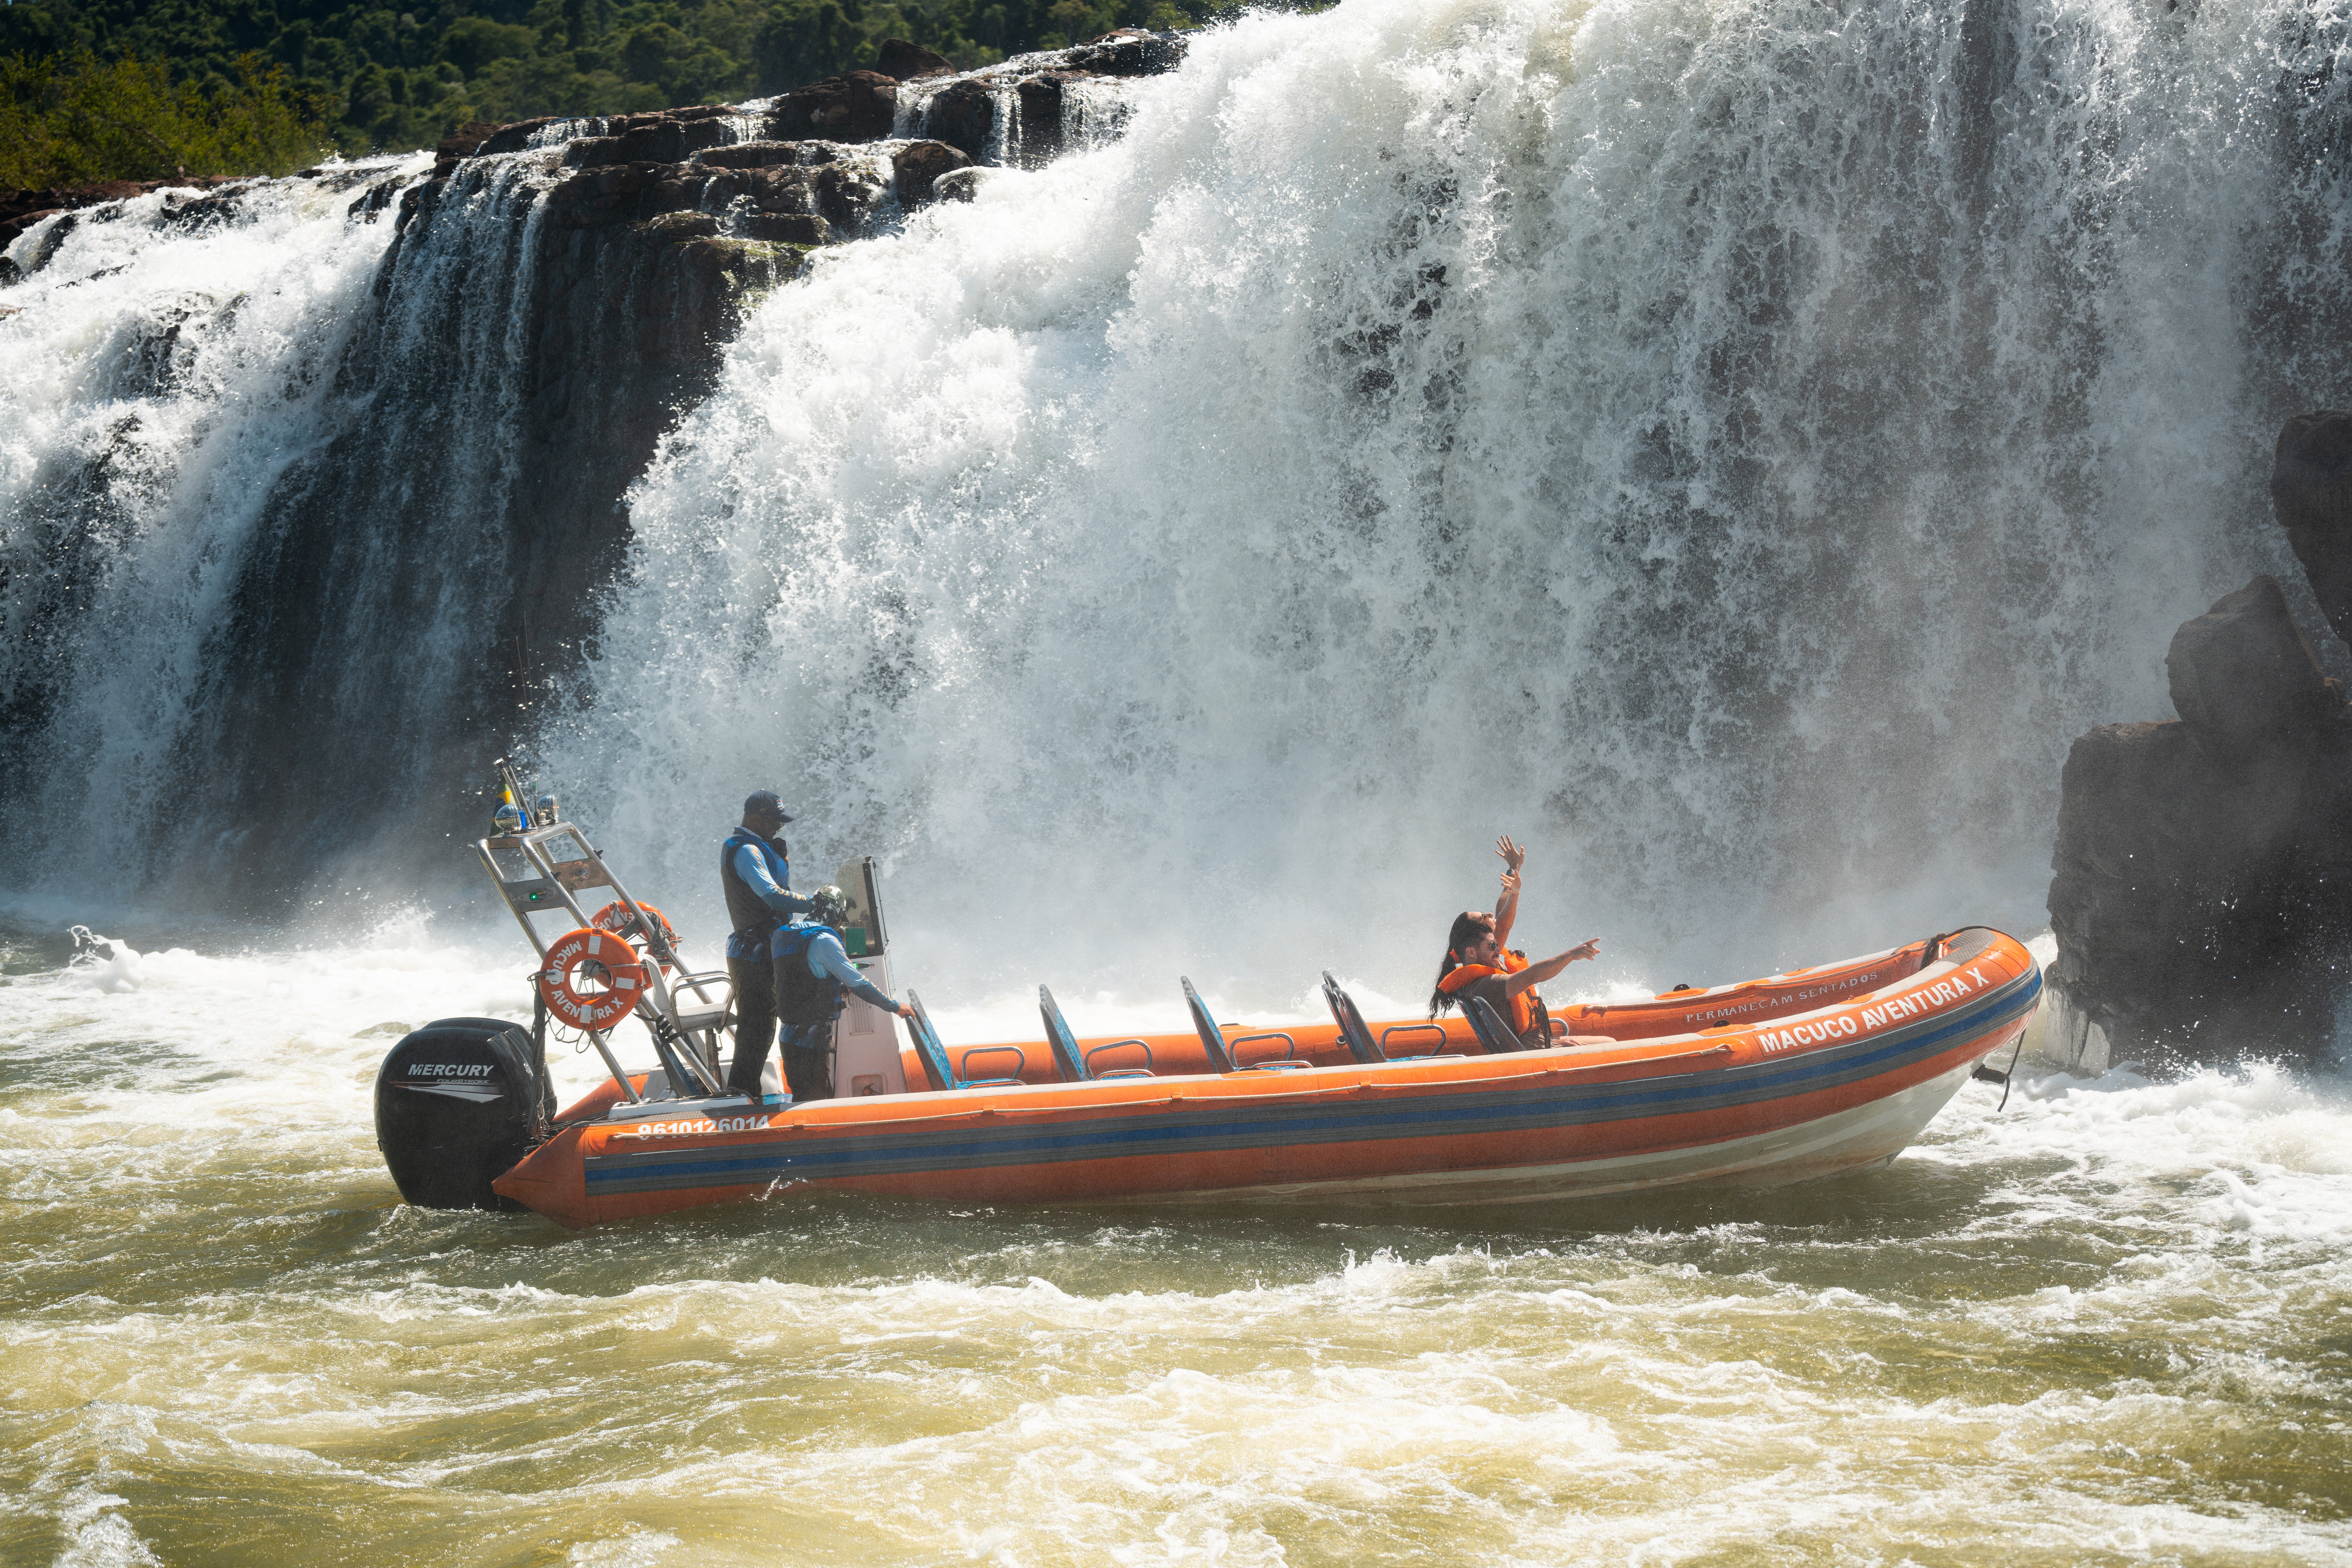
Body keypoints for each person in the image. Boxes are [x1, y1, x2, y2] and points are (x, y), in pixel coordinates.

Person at [1429, 835, 1600, 1051]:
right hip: (1534, 1053)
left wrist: (1513, 870)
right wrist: (1570, 956)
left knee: (1608, 1043)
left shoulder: (1483, 956)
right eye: (1483, 917)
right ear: (1472, 950)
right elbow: (1531, 973)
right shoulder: (1488, 981)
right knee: (1611, 1046)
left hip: (1538, 1041)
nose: (1491, 914)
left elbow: (1502, 920)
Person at [764, 886, 913, 1101]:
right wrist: (895, 1007)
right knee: (818, 1103)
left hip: (788, 1036)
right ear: (833, 912)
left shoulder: (781, 935)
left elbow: (797, 978)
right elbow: (860, 984)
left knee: (803, 1097)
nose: (840, 925)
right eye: (841, 919)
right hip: (812, 1039)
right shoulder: (824, 940)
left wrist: (834, 988)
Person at [719, 790, 814, 1099]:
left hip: (763, 949)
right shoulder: (746, 850)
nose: (780, 827)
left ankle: (748, 1093)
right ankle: (740, 1095)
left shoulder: (760, 846)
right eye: (775, 821)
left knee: (763, 1026)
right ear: (756, 817)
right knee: (756, 1027)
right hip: (752, 952)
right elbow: (771, 896)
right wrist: (814, 903)